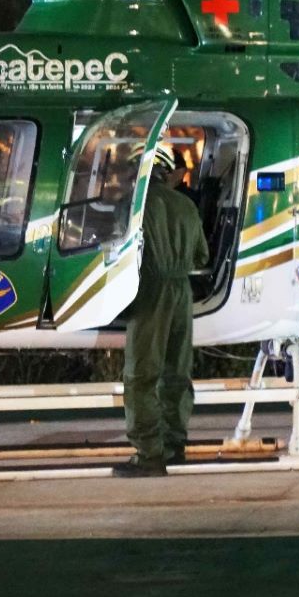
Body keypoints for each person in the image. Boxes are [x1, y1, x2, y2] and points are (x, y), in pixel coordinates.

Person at [114, 146, 209, 478]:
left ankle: (149, 454)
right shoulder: (186, 205)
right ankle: (174, 446)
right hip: (181, 291)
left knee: (141, 375)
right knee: (176, 373)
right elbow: (202, 256)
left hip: (150, 290)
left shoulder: (134, 207)